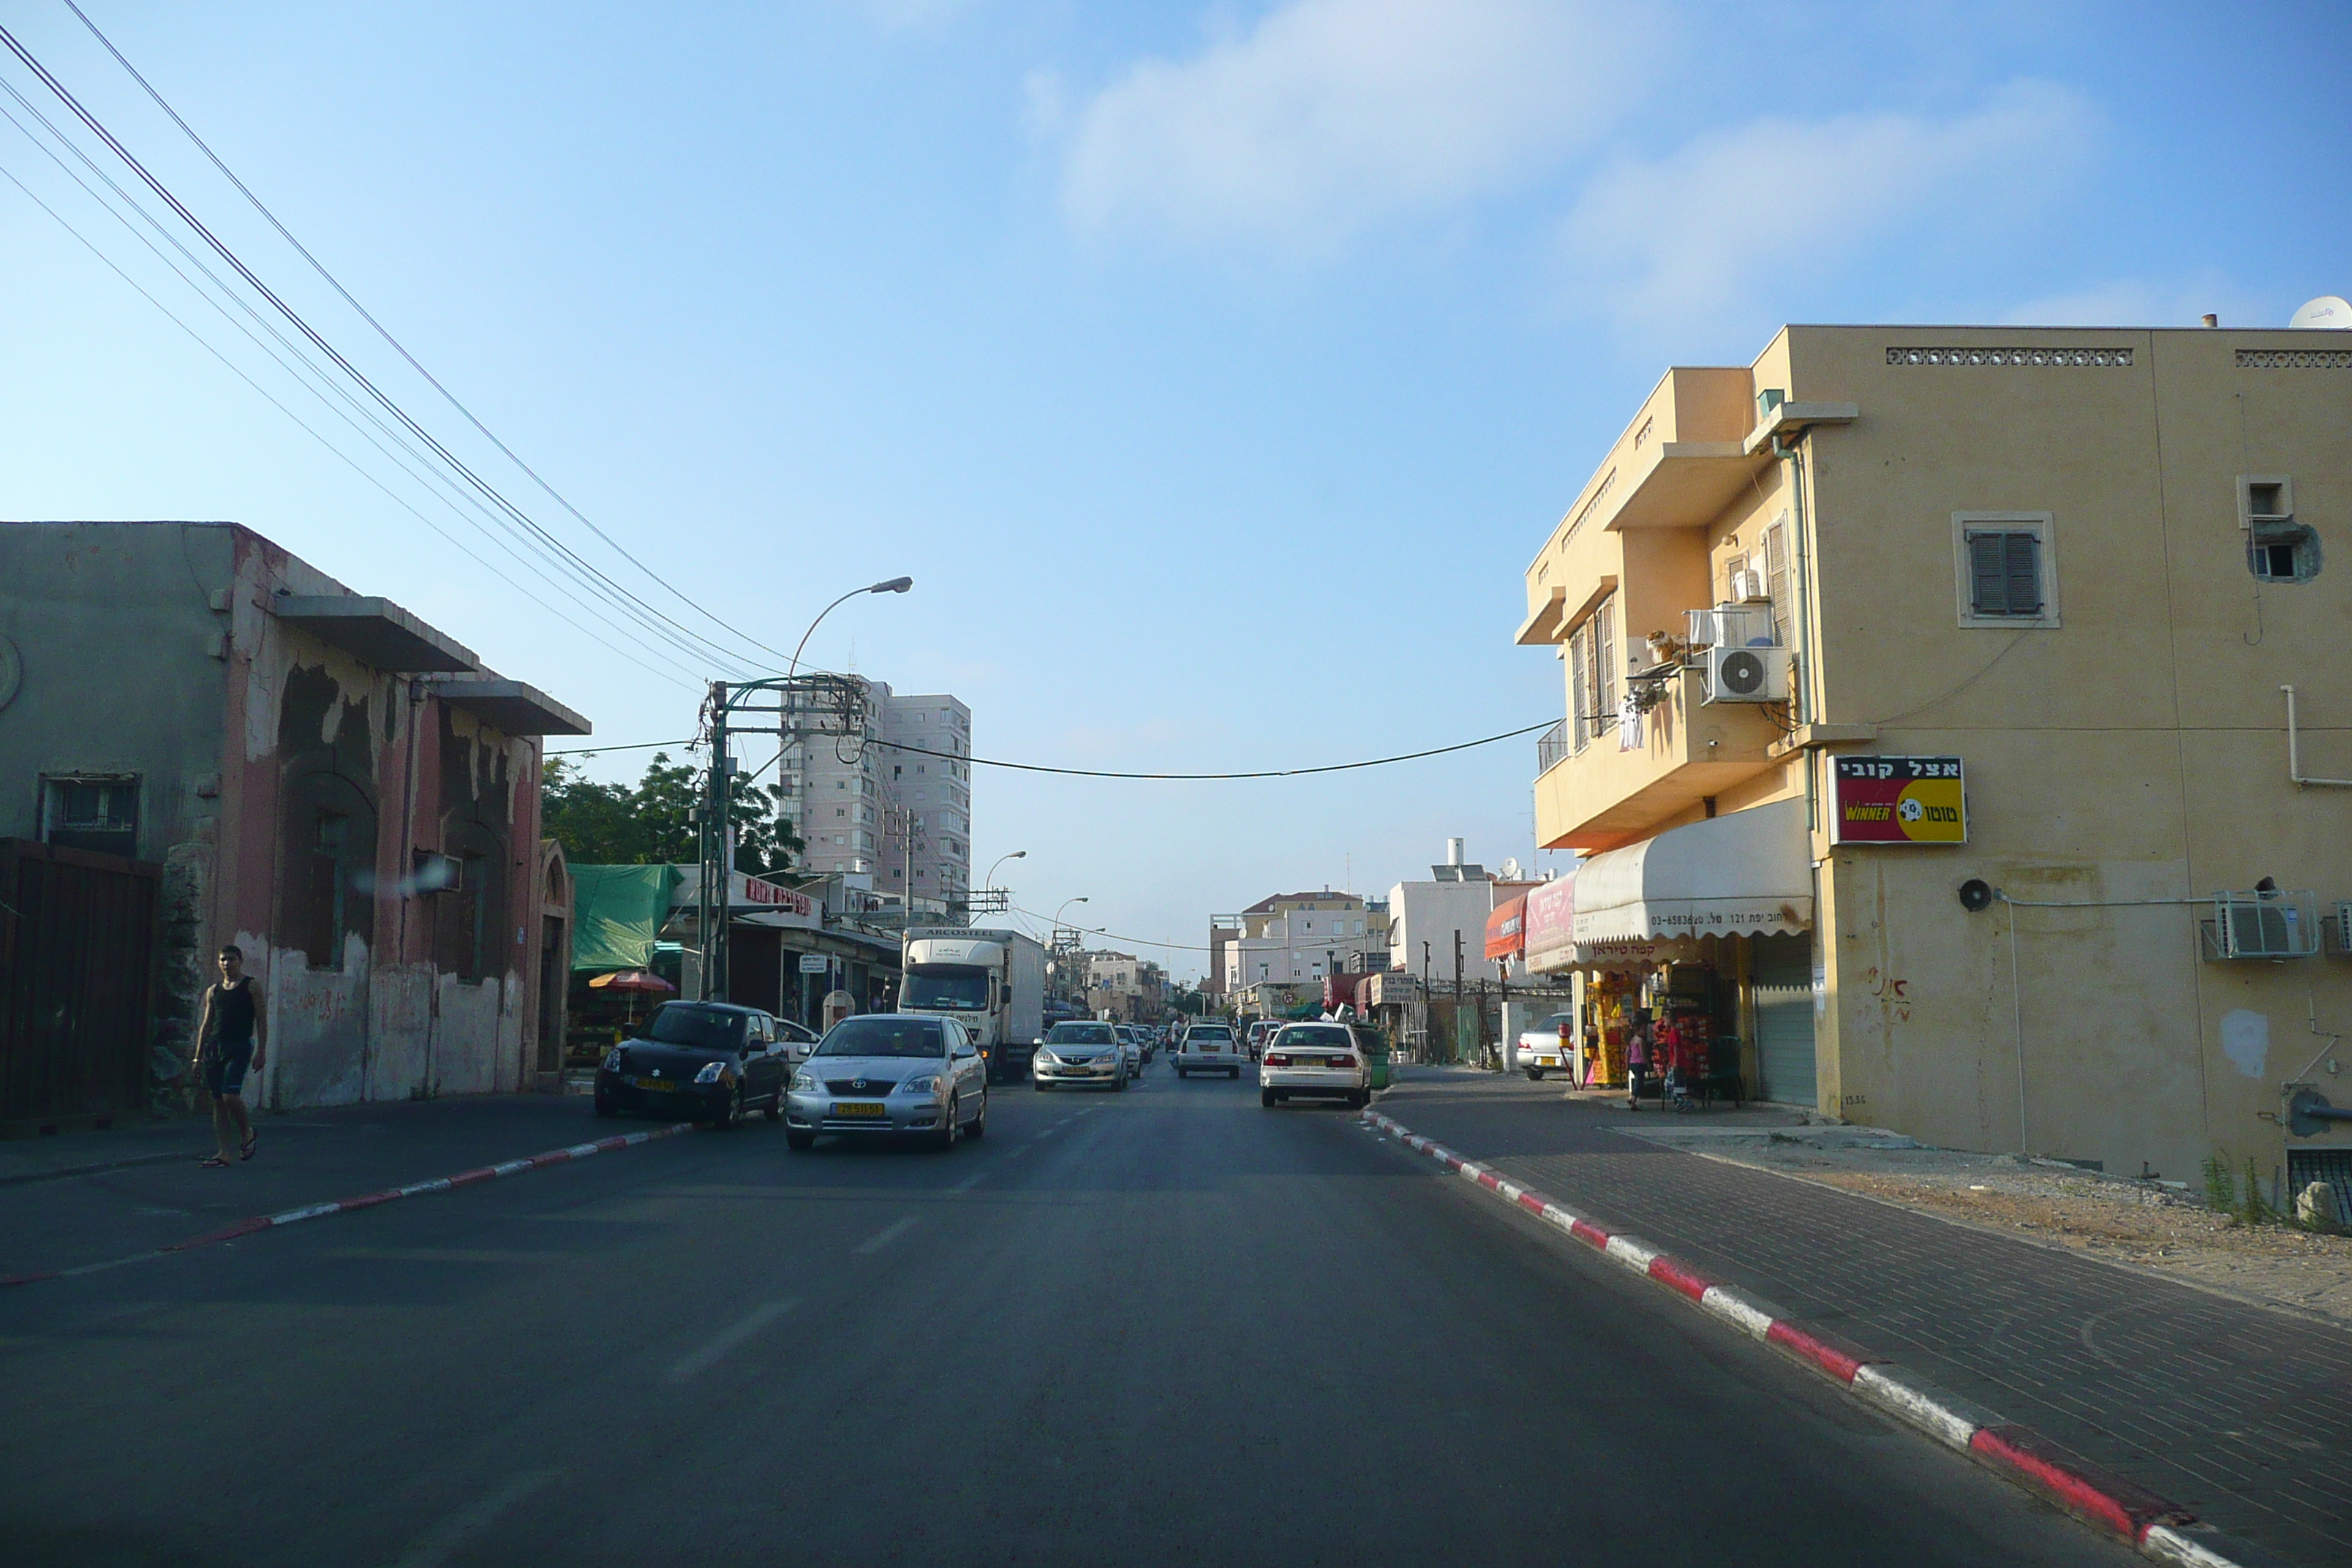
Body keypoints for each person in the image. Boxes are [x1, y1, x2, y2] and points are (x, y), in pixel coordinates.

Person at [193, 945, 266, 1167]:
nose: (227, 964)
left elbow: (262, 1020)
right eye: (223, 960)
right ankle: (224, 1152)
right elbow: (206, 1024)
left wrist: (261, 1051)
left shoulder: (251, 986)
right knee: (218, 1101)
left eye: (232, 960)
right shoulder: (214, 991)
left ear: (240, 961)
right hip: (216, 1047)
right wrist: (198, 1057)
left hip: (240, 1046)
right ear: (218, 962)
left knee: (230, 1096)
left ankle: (247, 1131)